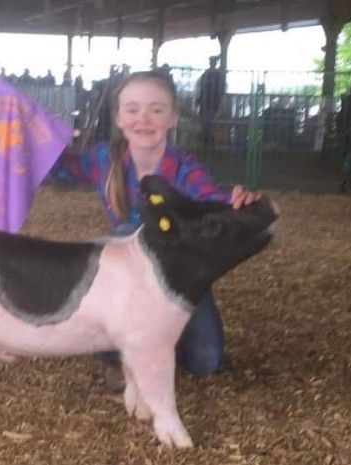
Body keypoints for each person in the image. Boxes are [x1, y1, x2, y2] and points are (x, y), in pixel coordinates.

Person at [51, 71, 259, 391]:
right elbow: (62, 169)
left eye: (157, 109)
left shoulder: (184, 168)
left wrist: (236, 203)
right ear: (119, 118)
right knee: (127, 232)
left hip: (178, 274)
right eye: (132, 109)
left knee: (205, 361)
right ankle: (117, 356)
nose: (143, 118)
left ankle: (152, 339)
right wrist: (38, 140)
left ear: (173, 117)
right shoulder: (105, 159)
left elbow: (210, 198)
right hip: (125, 279)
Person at [196, 56, 226, 149]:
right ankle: (207, 141)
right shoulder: (210, 74)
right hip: (208, 102)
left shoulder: (211, 74)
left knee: (209, 122)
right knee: (207, 122)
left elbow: (220, 89)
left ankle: (207, 141)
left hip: (210, 102)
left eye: (212, 62)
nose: (211, 63)